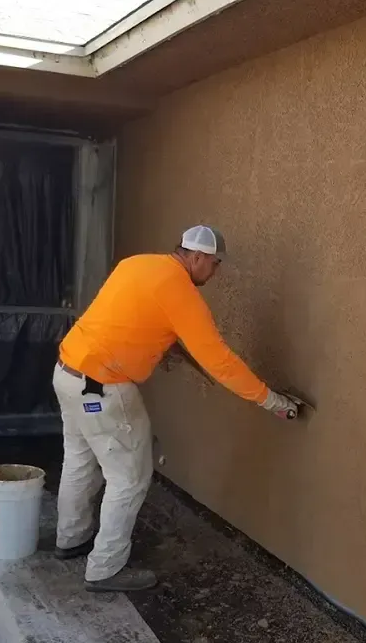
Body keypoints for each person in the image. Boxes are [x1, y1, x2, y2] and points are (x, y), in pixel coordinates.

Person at [52, 225, 298, 592]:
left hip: (68, 374)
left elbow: (126, 315)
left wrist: (161, 344)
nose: (215, 272)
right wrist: (271, 400)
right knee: (129, 479)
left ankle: (70, 539)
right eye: (214, 264)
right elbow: (220, 362)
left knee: (79, 460)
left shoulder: (137, 264)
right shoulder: (180, 291)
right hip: (103, 388)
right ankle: (104, 569)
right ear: (197, 257)